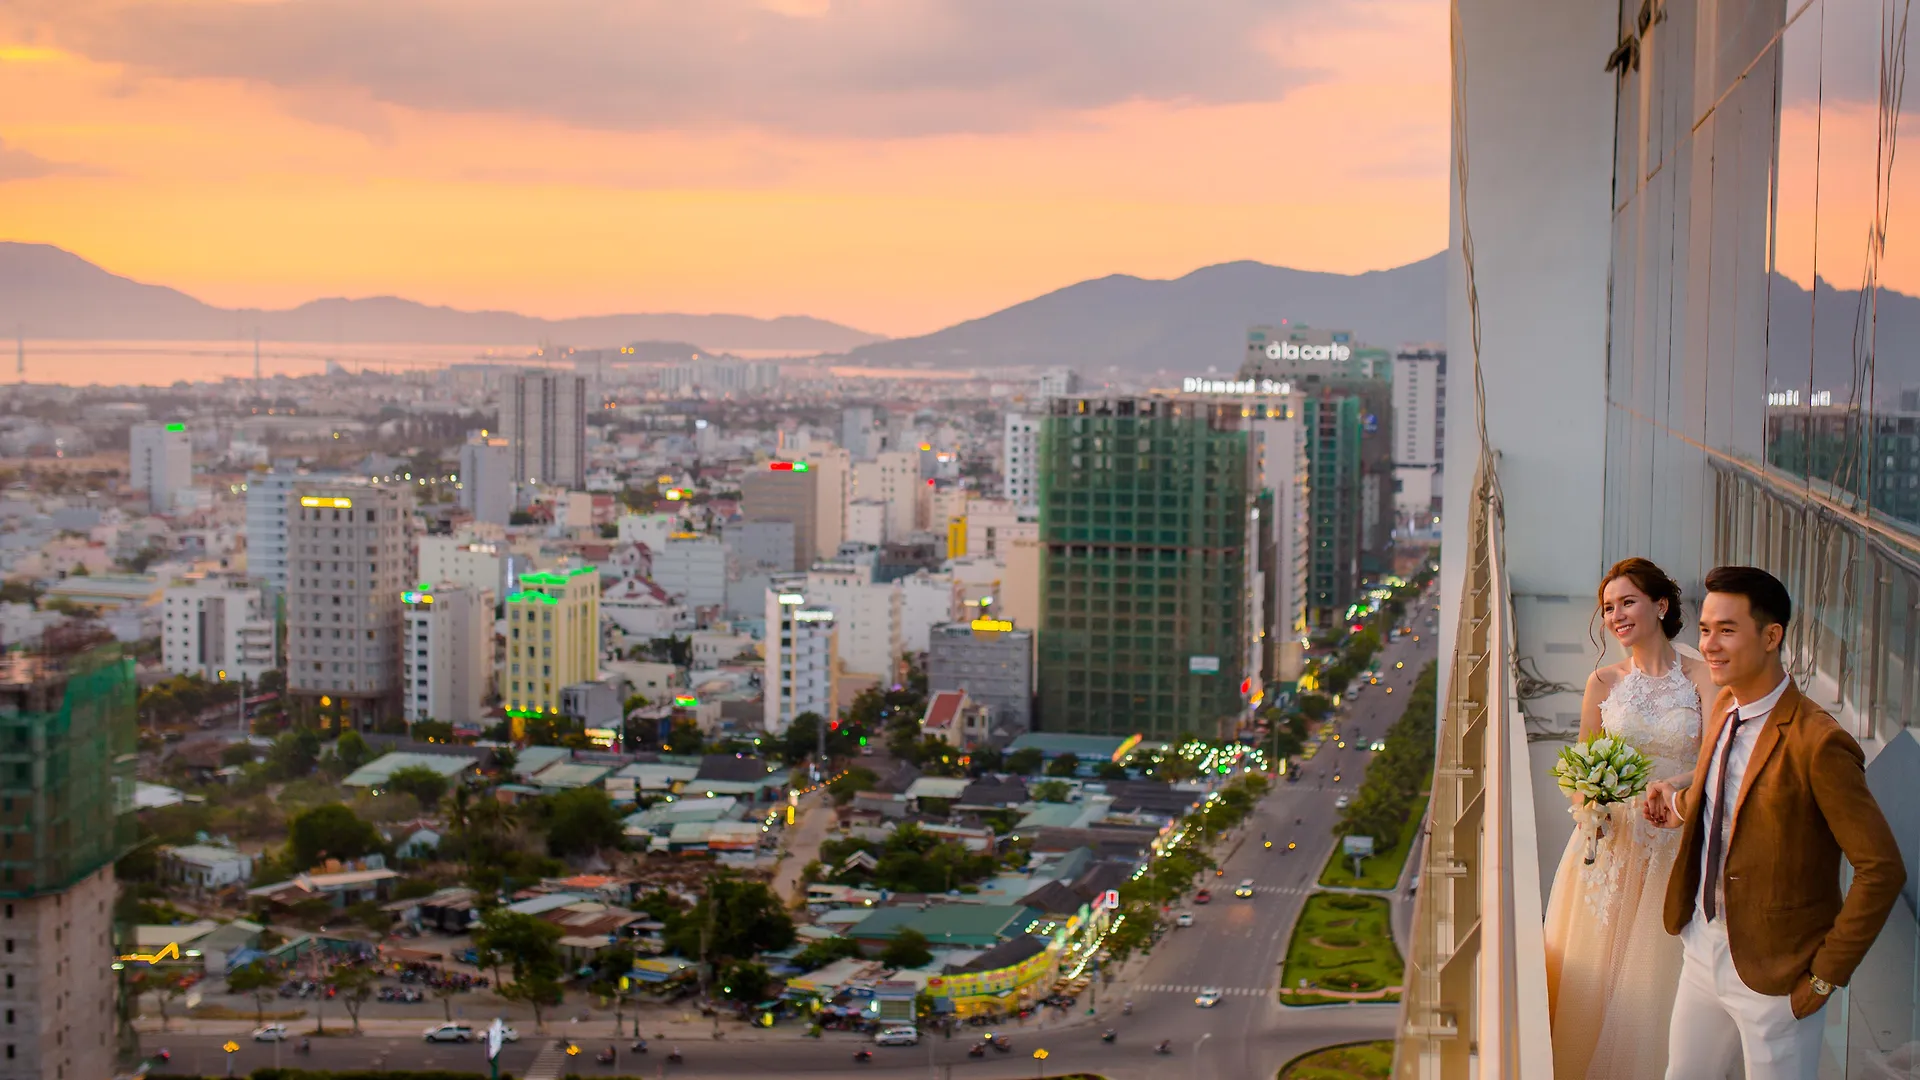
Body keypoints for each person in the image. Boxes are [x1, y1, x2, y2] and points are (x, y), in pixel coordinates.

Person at [1645, 566, 1905, 1080]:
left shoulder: (1819, 743)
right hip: (1703, 948)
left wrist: (1826, 977)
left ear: (1771, 636)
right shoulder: (1724, 705)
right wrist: (1676, 807)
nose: (1710, 645)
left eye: (1726, 630)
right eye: (1704, 629)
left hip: (1778, 978)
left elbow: (1882, 868)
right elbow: (1723, 799)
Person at [1544, 558, 1713, 1080]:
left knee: (1654, 969)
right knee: (1597, 967)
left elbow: (1712, 758)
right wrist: (1590, 803)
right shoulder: (1603, 681)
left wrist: (1678, 786)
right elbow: (1579, 766)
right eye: (1608, 608)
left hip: (1672, 836)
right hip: (1610, 844)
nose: (1615, 615)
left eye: (1627, 602)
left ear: (1660, 605)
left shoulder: (1702, 674)